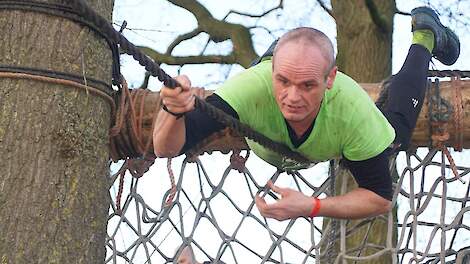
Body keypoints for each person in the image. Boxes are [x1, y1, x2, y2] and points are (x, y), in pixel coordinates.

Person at [154, 6, 460, 224]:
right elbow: (165, 148)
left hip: (342, 125)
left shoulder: (349, 109)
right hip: (271, 86)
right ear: (271, 72)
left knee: (395, 135)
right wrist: (172, 110)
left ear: (330, 79)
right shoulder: (249, 89)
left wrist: (314, 206)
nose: (293, 98)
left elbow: (380, 197)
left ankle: (425, 37)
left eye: (308, 85)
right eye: (283, 81)